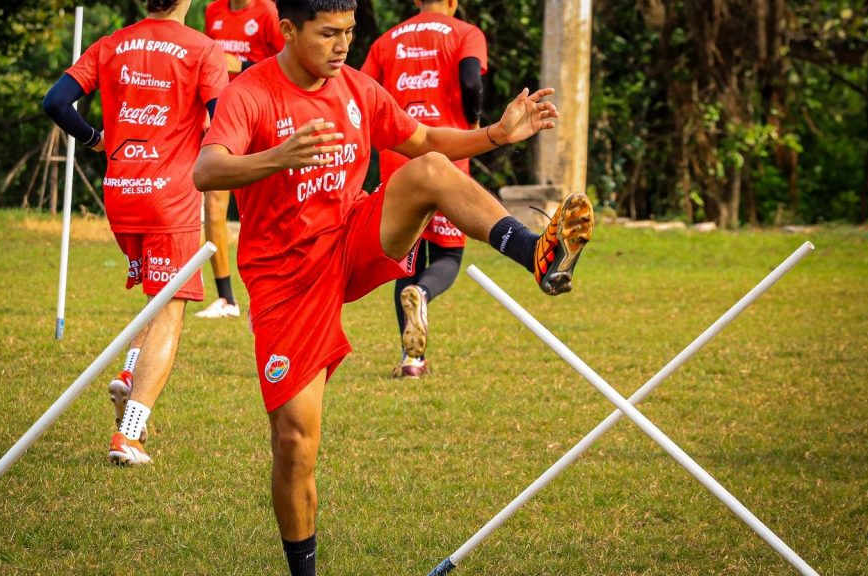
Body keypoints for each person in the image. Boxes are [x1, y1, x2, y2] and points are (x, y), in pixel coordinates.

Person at [192, 0, 593, 573]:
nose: (342, 46)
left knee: (428, 170)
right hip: (287, 279)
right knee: (294, 442)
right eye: (328, 34)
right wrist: (278, 157)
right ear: (288, 31)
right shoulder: (251, 93)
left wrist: (497, 134)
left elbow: (424, 137)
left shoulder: (357, 88)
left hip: (352, 237)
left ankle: (535, 253)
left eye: (349, 32)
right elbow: (206, 170)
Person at [42, 0, 227, 465]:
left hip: (122, 192)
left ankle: (128, 373)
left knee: (157, 297)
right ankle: (128, 434)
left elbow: (55, 102)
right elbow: (225, 122)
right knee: (172, 309)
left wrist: (94, 139)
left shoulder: (111, 44)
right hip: (170, 199)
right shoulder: (203, 49)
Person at [360, 0, 487, 378]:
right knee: (449, 254)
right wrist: (473, 122)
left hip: (399, 160)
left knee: (406, 259)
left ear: (416, 1)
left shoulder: (386, 41)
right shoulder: (466, 33)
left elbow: (363, 93)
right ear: (454, 1)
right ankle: (425, 294)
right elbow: (471, 82)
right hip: (447, 157)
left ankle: (411, 361)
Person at [195, 0, 285, 319]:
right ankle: (226, 298)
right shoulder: (213, 11)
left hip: (263, 117)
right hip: (224, 120)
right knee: (213, 204)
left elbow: (289, 62)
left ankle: (270, 293)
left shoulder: (268, 12)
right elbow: (210, 66)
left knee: (266, 211)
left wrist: (243, 64)